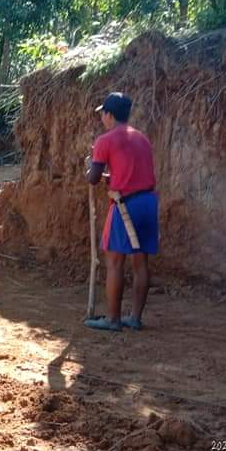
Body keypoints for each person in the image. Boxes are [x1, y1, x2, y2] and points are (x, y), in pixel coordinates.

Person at [84, 92, 158, 332]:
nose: (102, 119)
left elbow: (93, 179)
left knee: (114, 261)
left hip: (125, 205)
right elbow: (133, 172)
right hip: (147, 203)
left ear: (109, 114)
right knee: (141, 261)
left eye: (103, 114)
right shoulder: (142, 138)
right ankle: (135, 318)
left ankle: (113, 319)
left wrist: (89, 171)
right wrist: (113, 178)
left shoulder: (105, 140)